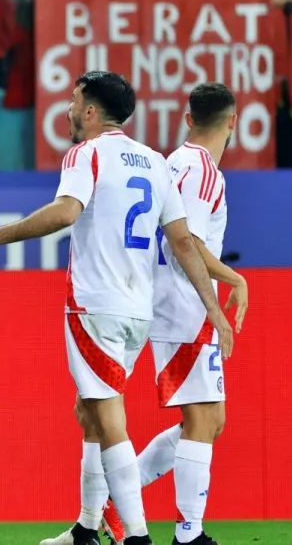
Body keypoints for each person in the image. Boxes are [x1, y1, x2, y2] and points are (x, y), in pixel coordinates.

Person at [0, 71, 234, 545]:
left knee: (107, 416)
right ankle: (85, 527)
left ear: (90, 111)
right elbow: (182, 241)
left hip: (94, 306)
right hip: (139, 311)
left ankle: (135, 536)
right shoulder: (152, 161)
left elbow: (65, 211)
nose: (67, 108)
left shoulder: (86, 153)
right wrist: (215, 309)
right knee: (89, 411)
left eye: (73, 100)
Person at [40, 83, 249, 545]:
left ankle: (98, 513)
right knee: (200, 419)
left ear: (188, 116)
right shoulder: (196, 169)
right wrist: (229, 282)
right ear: (233, 123)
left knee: (195, 420)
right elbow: (185, 241)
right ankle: (185, 534)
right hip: (181, 303)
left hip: (153, 299)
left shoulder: (171, 161)